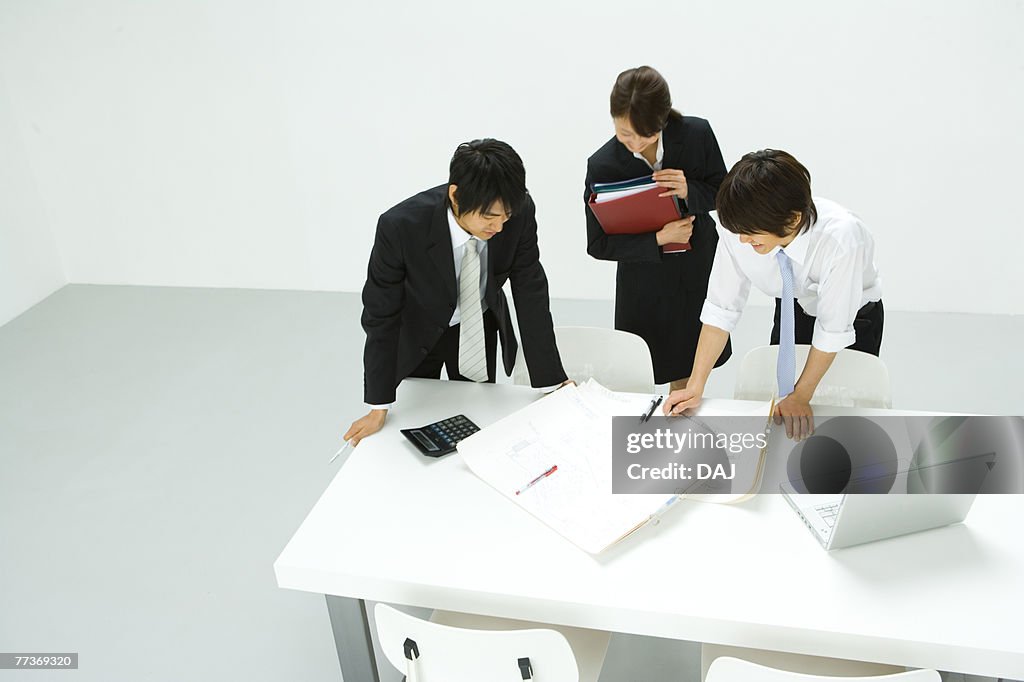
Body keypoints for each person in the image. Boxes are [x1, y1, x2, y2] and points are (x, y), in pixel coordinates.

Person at [344, 139, 569, 445]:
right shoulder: (399, 227)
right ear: (456, 195)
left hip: (478, 324)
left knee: (477, 418)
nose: (500, 227)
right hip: (419, 327)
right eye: (490, 216)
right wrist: (378, 404)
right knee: (418, 419)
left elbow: (531, 293)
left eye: (506, 216)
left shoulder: (519, 213)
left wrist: (551, 382)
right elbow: (380, 315)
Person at [663, 149, 884, 440]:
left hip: (855, 316)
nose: (743, 240)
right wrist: (695, 384)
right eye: (739, 231)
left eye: (751, 233)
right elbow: (721, 309)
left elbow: (832, 330)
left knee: (840, 414)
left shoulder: (843, 239)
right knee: (783, 412)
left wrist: (802, 395)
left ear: (792, 221)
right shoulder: (740, 227)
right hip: (793, 303)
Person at [585, 65, 731, 391]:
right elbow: (597, 244)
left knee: (690, 365)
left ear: (662, 121)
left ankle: (682, 428)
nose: (634, 143)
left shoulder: (696, 134)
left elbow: (724, 192)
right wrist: (659, 239)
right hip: (643, 281)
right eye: (624, 133)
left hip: (695, 269)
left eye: (645, 135)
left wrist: (688, 189)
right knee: (640, 368)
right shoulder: (602, 165)